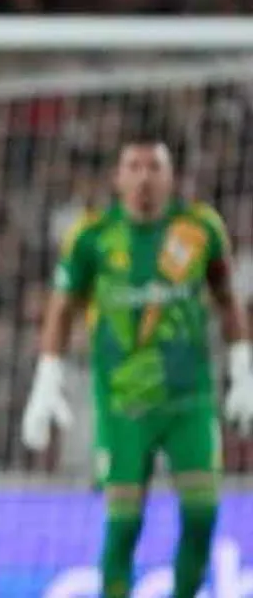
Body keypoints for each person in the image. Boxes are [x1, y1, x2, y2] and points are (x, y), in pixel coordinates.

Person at [21, 137, 253, 598]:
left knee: (203, 517)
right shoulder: (92, 237)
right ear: (118, 177)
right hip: (122, 405)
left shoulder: (200, 229)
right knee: (125, 524)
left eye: (155, 166)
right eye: (134, 165)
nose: (144, 175)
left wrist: (242, 370)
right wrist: (46, 382)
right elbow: (62, 309)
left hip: (190, 401)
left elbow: (227, 299)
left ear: (171, 176)